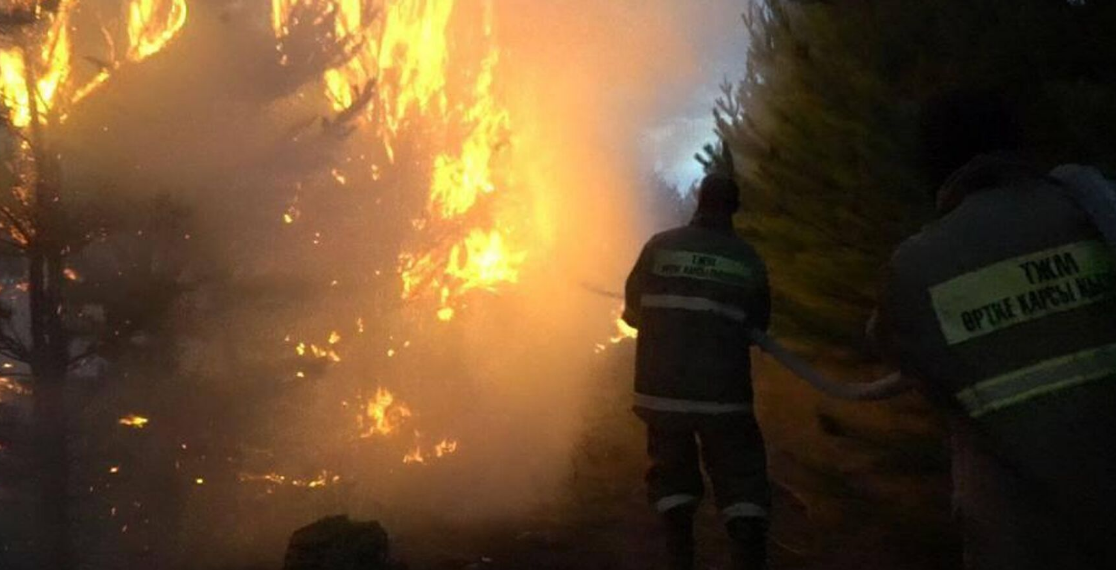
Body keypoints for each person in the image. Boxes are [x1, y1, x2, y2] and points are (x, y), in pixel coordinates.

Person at [870, 91, 1116, 569]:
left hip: (1023, 542)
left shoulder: (916, 265)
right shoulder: (1092, 206)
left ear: (934, 164)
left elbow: (897, 350)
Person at [621, 173, 772, 570]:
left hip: (661, 393)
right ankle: (748, 555)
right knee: (741, 478)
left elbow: (633, 314)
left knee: (672, 478)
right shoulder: (747, 259)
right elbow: (758, 327)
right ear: (735, 208)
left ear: (699, 201)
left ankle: (680, 556)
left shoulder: (659, 247)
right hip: (724, 397)